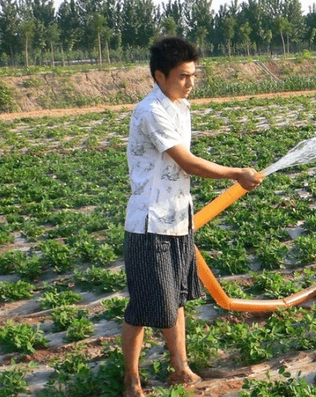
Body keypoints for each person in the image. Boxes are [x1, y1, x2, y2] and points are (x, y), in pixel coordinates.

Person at [121, 37, 262, 397]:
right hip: (150, 224)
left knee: (177, 299)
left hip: (179, 219)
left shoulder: (181, 108)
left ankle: (180, 367)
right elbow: (185, 161)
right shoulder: (150, 111)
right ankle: (132, 380)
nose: (191, 82)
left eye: (193, 75)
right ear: (159, 75)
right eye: (183, 76)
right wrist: (235, 173)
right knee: (143, 307)